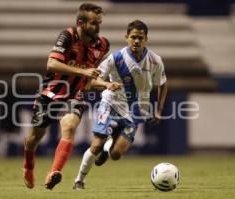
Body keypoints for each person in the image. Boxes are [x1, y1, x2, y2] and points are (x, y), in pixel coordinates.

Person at [22, 3, 116, 190]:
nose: (98, 28)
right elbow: (52, 64)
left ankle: (54, 172)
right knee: (34, 137)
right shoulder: (67, 36)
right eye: (94, 23)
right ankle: (28, 166)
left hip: (75, 95)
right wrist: (84, 73)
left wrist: (104, 84)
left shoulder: (103, 45)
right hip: (51, 93)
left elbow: (90, 76)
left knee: (70, 126)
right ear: (81, 23)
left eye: (99, 23)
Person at [73, 19, 168, 190]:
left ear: (146, 38)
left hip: (135, 111)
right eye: (133, 37)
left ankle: (108, 145)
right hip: (111, 103)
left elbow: (163, 83)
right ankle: (79, 180)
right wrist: (107, 85)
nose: (136, 41)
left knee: (116, 154)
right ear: (126, 37)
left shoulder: (155, 61)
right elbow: (91, 81)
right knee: (96, 143)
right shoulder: (115, 58)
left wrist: (159, 110)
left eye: (140, 37)